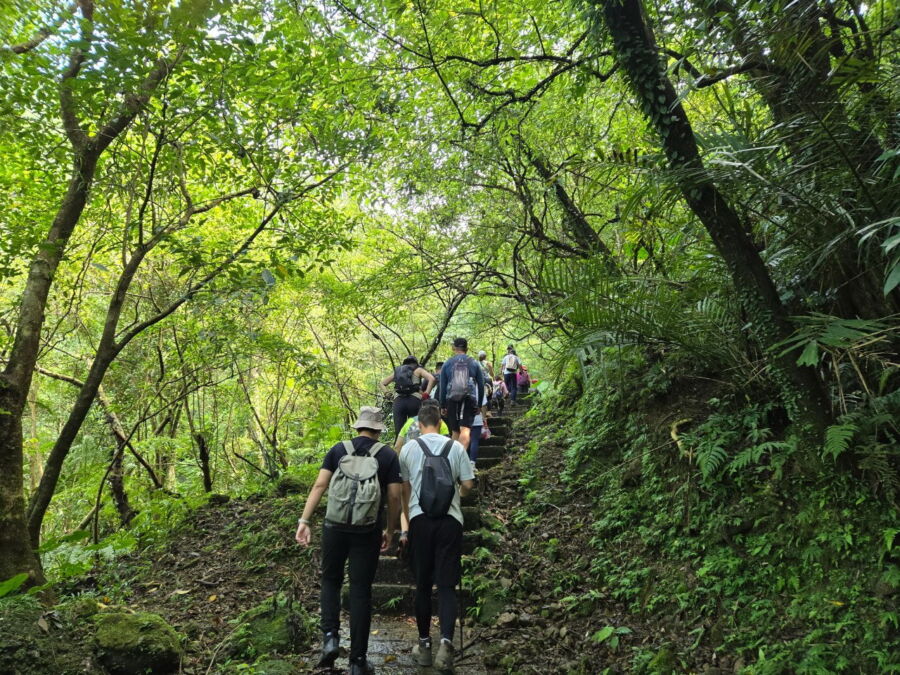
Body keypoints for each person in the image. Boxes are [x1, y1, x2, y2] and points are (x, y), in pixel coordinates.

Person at [295, 406, 402, 675]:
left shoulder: (337, 450)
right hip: (367, 531)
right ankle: (357, 661)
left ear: (357, 427)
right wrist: (390, 531)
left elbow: (320, 486)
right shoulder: (387, 455)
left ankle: (330, 638)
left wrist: (304, 521)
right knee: (360, 590)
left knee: (330, 581)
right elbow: (393, 498)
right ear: (378, 430)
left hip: (334, 528)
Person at [400, 402, 475, 671]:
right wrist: (457, 496)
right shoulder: (455, 448)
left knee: (422, 585)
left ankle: (423, 646)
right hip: (450, 521)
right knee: (446, 586)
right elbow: (467, 484)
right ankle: (445, 645)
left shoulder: (408, 449)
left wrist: (407, 524)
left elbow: (404, 491)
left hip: (420, 521)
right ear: (441, 424)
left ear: (419, 425)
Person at [438, 337, 485, 452]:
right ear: (467, 349)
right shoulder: (474, 363)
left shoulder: (447, 363)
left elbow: (442, 387)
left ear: (454, 348)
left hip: (451, 399)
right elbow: (481, 385)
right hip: (469, 398)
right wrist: (479, 405)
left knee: (455, 431)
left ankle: (453, 462)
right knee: (465, 429)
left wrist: (442, 405)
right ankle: (460, 459)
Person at [380, 356, 435, 437]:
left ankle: (399, 448)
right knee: (415, 431)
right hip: (414, 401)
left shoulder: (398, 371)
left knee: (399, 432)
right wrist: (426, 394)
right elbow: (432, 379)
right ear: (416, 363)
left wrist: (387, 393)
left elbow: (382, 383)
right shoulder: (418, 370)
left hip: (398, 402)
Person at [468, 390, 490, 468]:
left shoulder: (461, 385)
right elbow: (484, 405)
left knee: (465, 440)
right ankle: (472, 463)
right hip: (477, 418)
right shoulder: (478, 387)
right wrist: (484, 418)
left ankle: (464, 463)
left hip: (463, 419)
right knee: (474, 441)